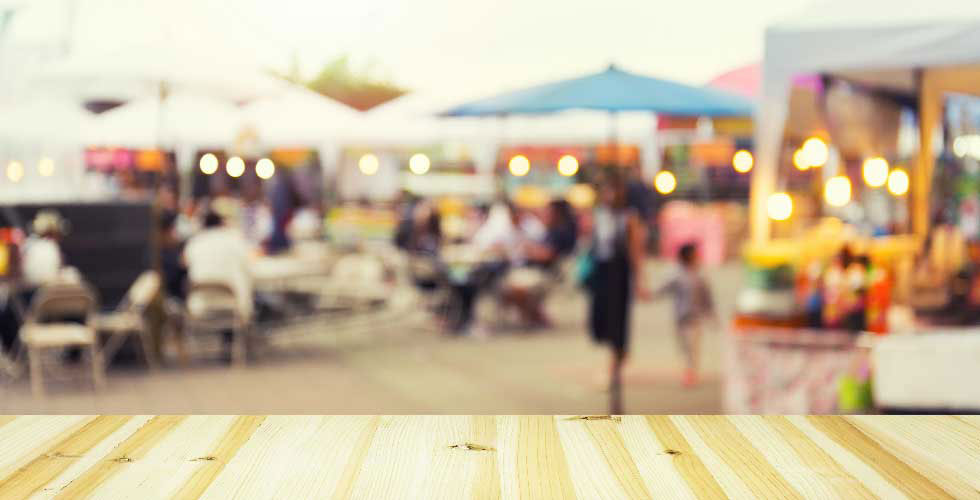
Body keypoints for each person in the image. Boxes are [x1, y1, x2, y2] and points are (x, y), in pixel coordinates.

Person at [585, 175, 648, 413]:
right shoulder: (600, 215)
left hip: (619, 274)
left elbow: (635, 251)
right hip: (601, 273)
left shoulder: (628, 217)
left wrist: (640, 280)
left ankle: (614, 365)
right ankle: (615, 359)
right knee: (600, 322)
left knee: (618, 324)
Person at [183, 211, 253, 361]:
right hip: (233, 301)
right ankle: (237, 344)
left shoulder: (195, 243)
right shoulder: (234, 240)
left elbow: (185, 263)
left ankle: (228, 343)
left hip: (200, 302)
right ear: (222, 223)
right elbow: (248, 263)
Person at [651, 242, 717, 387]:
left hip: (694, 319)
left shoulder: (700, 275)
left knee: (692, 347)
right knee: (683, 347)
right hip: (680, 318)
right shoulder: (676, 274)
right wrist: (649, 295)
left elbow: (707, 298)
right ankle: (689, 370)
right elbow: (663, 288)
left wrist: (711, 316)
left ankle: (690, 373)